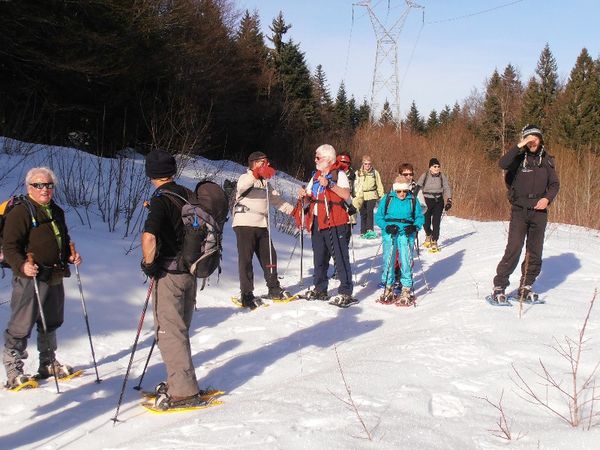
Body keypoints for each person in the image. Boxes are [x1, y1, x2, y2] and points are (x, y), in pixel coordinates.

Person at [2, 167, 80, 388]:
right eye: (38, 185)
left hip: (54, 273)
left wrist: (70, 255)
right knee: (21, 323)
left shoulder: (56, 210)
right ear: (29, 187)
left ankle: (47, 363)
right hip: (30, 276)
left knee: (51, 321)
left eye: (48, 185)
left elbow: (62, 239)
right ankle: (13, 370)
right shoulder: (21, 212)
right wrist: (21, 265)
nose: (44, 189)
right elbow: (9, 246)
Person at [140, 149, 203, 410]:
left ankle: (183, 391)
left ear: (151, 174)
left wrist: (148, 264)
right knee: (180, 329)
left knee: (168, 332)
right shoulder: (187, 194)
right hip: (191, 272)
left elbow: (149, 237)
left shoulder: (160, 199)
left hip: (169, 274)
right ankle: (179, 380)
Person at [491, 125, 559, 303]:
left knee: (534, 252)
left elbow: (554, 184)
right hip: (520, 210)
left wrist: (547, 199)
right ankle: (499, 285)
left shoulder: (546, 160)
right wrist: (519, 145)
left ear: (540, 139)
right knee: (514, 248)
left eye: (535, 137)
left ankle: (526, 286)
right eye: (528, 138)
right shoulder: (518, 158)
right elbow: (502, 164)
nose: (532, 141)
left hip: (540, 212)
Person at [232, 151, 294, 309]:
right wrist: (255, 173)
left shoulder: (266, 183)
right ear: (253, 164)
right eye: (262, 162)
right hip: (245, 222)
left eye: (267, 162)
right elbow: (242, 187)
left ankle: (274, 288)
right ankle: (246, 293)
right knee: (246, 259)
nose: (266, 165)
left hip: (262, 224)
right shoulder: (245, 177)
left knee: (270, 257)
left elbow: (277, 201)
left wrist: (294, 212)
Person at [299, 144, 355, 307]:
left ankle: (345, 291)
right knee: (319, 257)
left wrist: (330, 184)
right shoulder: (315, 175)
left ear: (329, 159)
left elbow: (346, 195)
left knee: (339, 256)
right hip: (317, 220)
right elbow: (310, 196)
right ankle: (320, 288)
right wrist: (304, 195)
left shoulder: (339, 174)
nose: (315, 160)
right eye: (315, 157)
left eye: (318, 157)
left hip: (335, 221)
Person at [375, 175, 424, 305]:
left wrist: (414, 226)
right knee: (389, 260)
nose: (402, 194)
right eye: (399, 191)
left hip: (407, 233)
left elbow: (419, 217)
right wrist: (386, 226)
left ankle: (406, 289)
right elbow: (379, 217)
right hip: (390, 233)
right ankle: (388, 287)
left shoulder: (412, 200)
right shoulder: (387, 199)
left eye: (404, 191)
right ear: (395, 190)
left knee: (405, 260)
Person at [416, 158, 452, 252]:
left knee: (436, 222)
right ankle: (428, 234)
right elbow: (418, 186)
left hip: (438, 201)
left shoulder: (442, 176)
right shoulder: (425, 175)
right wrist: (413, 198)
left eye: (438, 166)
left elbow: (447, 187)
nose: (437, 168)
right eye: (434, 166)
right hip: (426, 200)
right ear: (430, 167)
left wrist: (449, 200)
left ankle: (434, 241)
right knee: (425, 222)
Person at [354, 155, 384, 239]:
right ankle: (363, 231)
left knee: (369, 212)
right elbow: (355, 185)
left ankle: (370, 230)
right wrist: (354, 195)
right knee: (363, 213)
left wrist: (381, 195)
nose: (367, 166)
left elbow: (379, 184)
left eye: (369, 164)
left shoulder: (375, 173)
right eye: (366, 164)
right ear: (363, 164)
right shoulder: (358, 173)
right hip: (361, 195)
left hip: (371, 194)